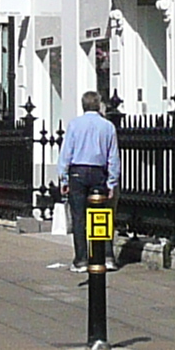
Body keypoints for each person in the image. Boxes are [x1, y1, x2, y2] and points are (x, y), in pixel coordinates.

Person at [56, 90, 118, 272]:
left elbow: (66, 153)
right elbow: (113, 156)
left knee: (79, 217)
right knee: (101, 216)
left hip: (78, 172)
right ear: (99, 105)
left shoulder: (75, 125)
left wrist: (63, 178)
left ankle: (81, 259)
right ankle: (107, 256)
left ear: (83, 105)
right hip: (99, 172)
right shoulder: (108, 126)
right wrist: (112, 181)